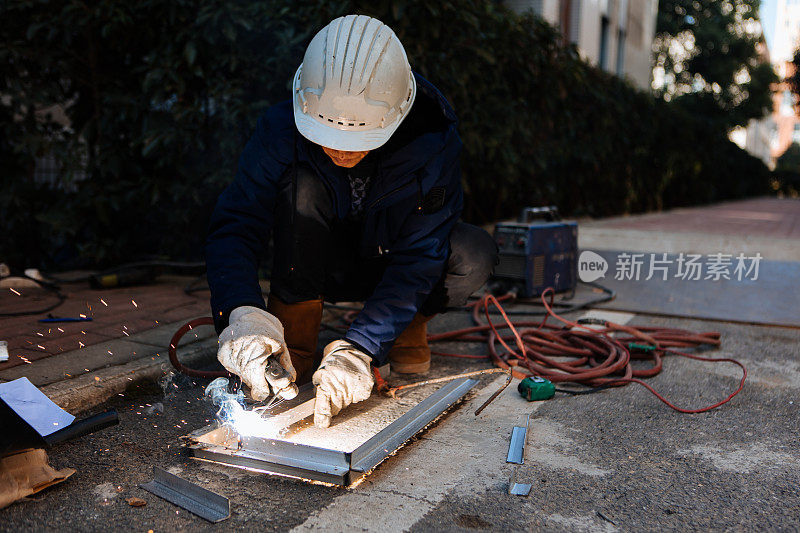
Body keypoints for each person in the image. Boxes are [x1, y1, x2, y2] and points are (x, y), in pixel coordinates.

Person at [205, 15, 497, 428]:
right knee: (300, 189)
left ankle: (402, 328)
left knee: (473, 251)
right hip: (315, 263)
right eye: (327, 138)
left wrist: (361, 348)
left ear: (394, 117)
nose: (340, 153)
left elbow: (421, 253)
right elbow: (236, 224)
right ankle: (295, 335)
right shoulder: (279, 128)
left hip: (389, 265)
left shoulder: (431, 139)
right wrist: (241, 311)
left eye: (357, 142)